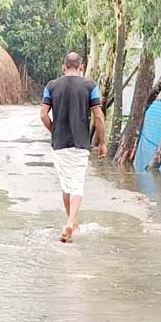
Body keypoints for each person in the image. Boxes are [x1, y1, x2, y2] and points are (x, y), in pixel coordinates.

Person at [40, 52, 106, 243]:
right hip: (80, 143)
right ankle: (71, 222)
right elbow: (99, 116)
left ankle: (73, 223)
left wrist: (54, 130)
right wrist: (102, 142)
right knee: (77, 183)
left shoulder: (51, 86)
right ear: (81, 66)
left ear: (64, 67)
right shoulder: (90, 86)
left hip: (59, 144)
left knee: (66, 184)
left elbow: (44, 114)